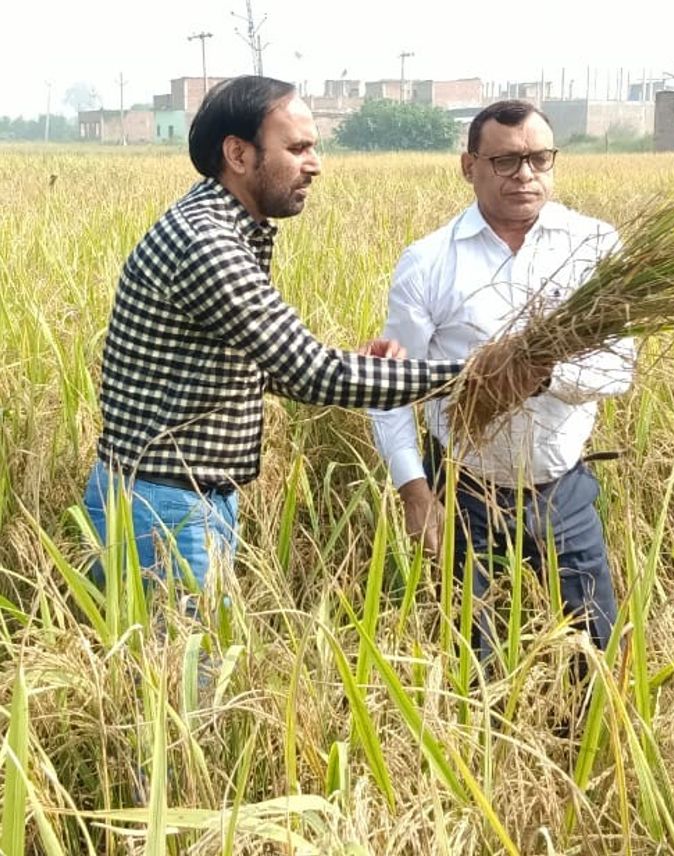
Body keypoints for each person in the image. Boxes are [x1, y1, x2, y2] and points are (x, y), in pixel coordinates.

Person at [83, 75, 461, 590]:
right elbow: (308, 373)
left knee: (162, 664)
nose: (315, 164)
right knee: (187, 668)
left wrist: (369, 369)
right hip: (166, 507)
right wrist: (473, 374)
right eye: (298, 147)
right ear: (238, 154)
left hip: (174, 497)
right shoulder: (208, 243)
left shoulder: (222, 227)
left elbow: (255, 364)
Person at [370, 100, 633, 658]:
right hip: (464, 491)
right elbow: (392, 387)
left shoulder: (593, 248)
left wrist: (538, 375)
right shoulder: (429, 261)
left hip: (563, 488)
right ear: (469, 167)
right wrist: (415, 492)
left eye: (539, 159)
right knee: (473, 657)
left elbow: (618, 367)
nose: (526, 176)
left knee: (597, 653)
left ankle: (590, 740)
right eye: (506, 162)